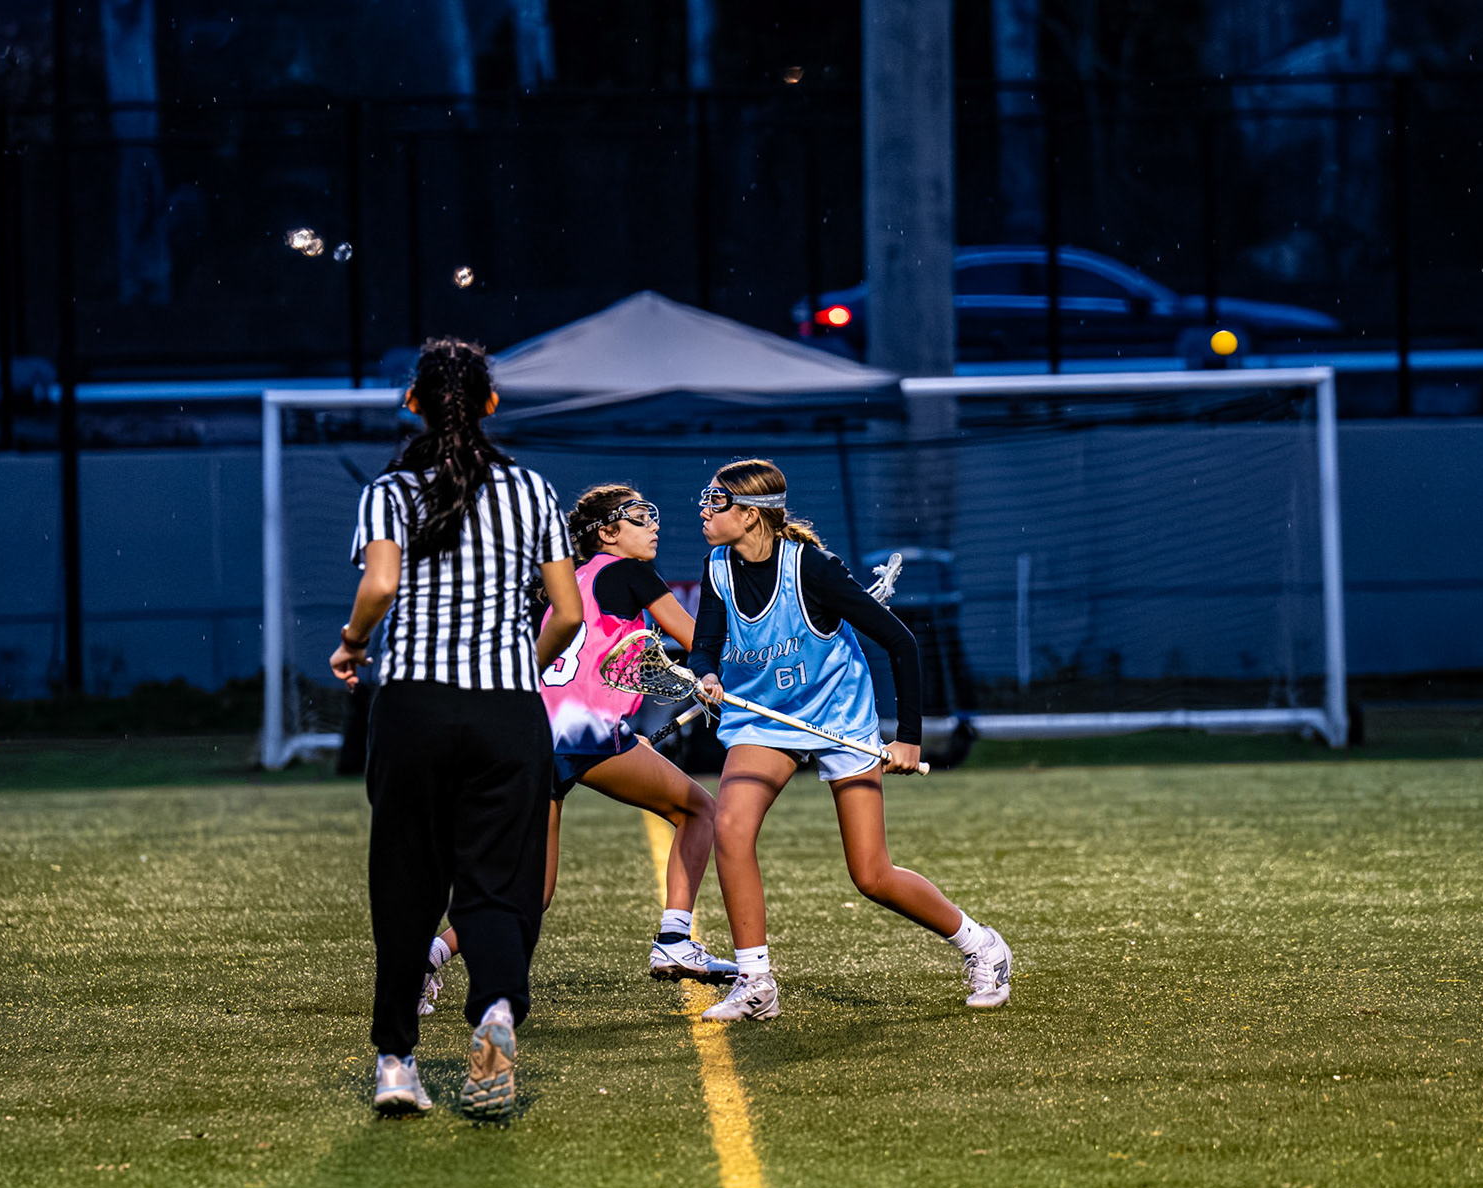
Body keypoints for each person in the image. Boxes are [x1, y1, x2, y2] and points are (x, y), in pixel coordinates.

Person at [331, 336, 579, 1120]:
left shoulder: (390, 491)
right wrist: (518, 665)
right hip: (506, 712)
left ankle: (397, 1062)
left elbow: (380, 585)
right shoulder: (532, 491)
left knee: (407, 885)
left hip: (415, 708)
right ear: (490, 404)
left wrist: (353, 643)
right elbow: (568, 612)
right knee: (496, 885)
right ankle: (495, 1010)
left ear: (413, 403)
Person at [686, 458, 1014, 1021]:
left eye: (717, 501)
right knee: (731, 827)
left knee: (871, 875)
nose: (704, 511)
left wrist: (908, 739)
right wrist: (707, 674)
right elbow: (704, 645)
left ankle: (981, 944)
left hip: (839, 717)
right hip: (766, 719)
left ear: (752, 514)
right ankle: (756, 982)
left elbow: (902, 643)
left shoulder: (813, 569)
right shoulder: (718, 565)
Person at [418, 483, 736, 1014]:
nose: (653, 525)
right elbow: (695, 639)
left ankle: (429, 955)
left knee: (532, 892)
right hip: (581, 734)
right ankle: (675, 941)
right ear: (607, 532)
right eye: (640, 516)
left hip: (532, 736)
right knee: (698, 810)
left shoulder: (571, 580)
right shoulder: (630, 572)